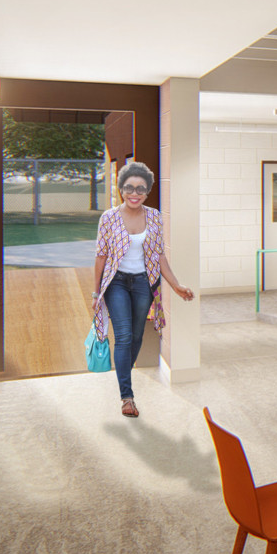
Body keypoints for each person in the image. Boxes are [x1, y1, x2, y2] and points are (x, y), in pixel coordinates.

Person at [92, 161, 195, 418]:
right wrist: (96, 294)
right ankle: (127, 396)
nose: (134, 193)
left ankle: (123, 370)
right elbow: (101, 257)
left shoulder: (155, 217)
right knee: (124, 336)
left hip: (143, 283)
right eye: (129, 188)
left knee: (137, 336)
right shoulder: (109, 218)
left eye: (140, 188)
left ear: (147, 191)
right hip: (116, 282)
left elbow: (159, 256)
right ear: (121, 189)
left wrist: (176, 285)